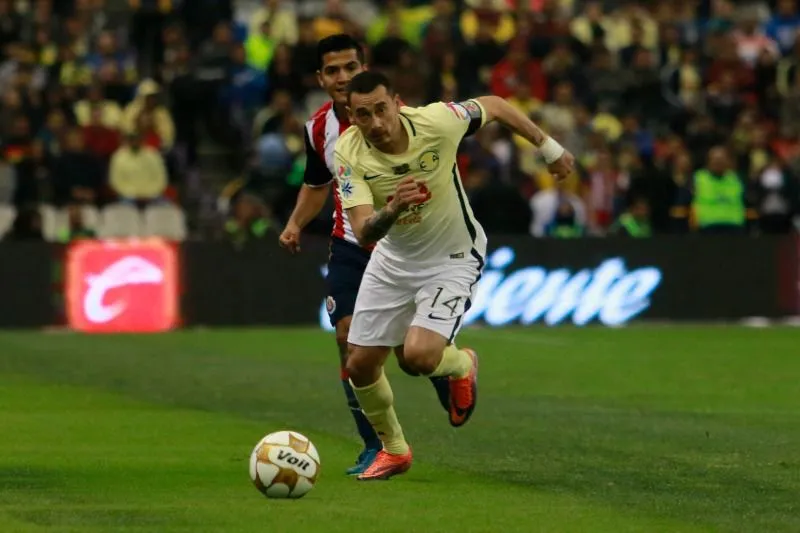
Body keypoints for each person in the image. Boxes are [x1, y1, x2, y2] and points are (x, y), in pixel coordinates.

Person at [334, 71, 574, 481]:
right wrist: (391, 209)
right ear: (351, 117)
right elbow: (361, 229)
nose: (375, 122)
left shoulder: (437, 122)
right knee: (359, 365)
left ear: (396, 103)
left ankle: (461, 364)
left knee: (418, 357)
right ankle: (395, 451)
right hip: (393, 259)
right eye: (363, 114)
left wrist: (548, 147)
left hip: (453, 256)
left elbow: (495, 106)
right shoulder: (348, 152)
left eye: (380, 109)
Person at [277, 35, 450, 476]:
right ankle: (378, 445)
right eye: (332, 71)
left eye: (350, 67)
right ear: (320, 78)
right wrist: (296, 222)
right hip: (352, 246)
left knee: (409, 354)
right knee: (347, 342)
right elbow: (317, 185)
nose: (342, 77)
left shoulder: (400, 116)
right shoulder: (318, 129)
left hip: (406, 248)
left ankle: (444, 368)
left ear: (364, 68)